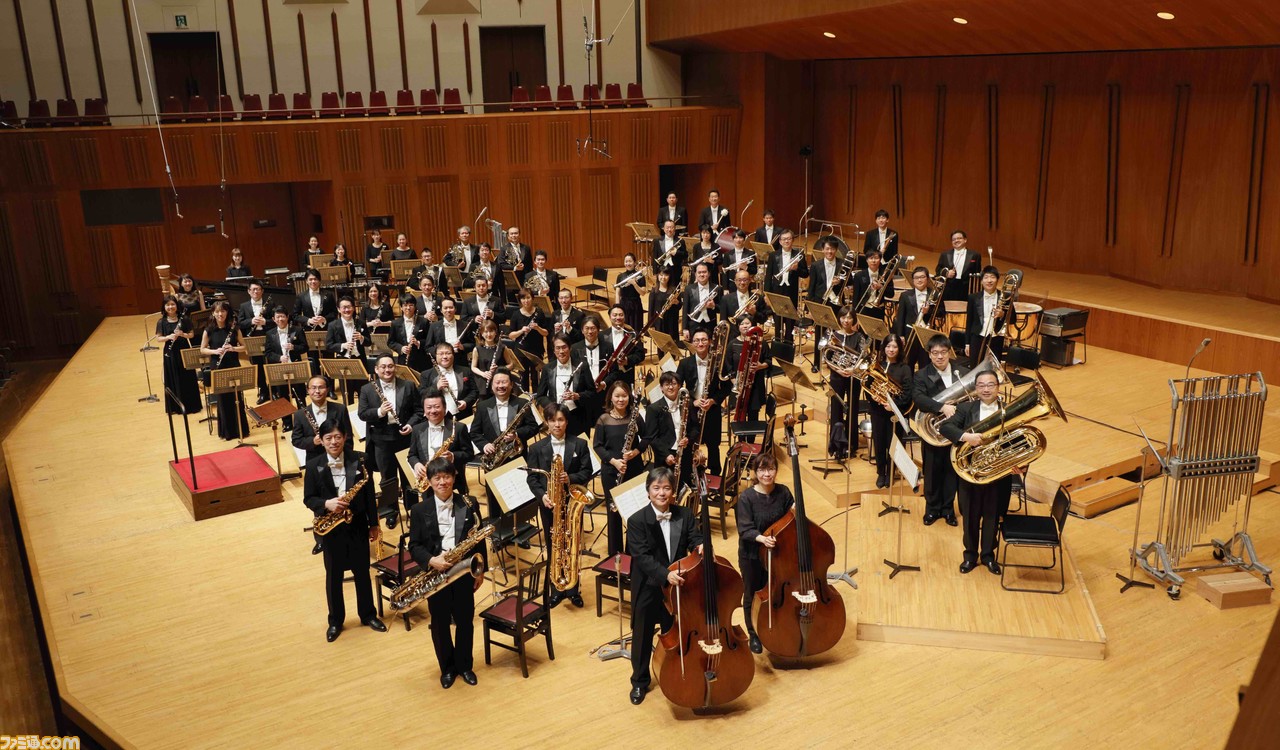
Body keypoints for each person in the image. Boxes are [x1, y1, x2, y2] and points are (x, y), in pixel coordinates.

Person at [303, 422, 386, 642]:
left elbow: (369, 495)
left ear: (345, 437)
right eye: (328, 438)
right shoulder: (313, 465)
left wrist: (374, 524)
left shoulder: (360, 460)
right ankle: (335, 621)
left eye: (337, 437)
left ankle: (368, 615)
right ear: (321, 440)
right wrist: (326, 504)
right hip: (331, 530)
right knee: (334, 577)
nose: (334, 442)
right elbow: (308, 498)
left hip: (357, 525)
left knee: (362, 572)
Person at [626, 466, 702, 705]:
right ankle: (639, 682)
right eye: (656, 488)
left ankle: (676, 672)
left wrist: (700, 546)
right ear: (648, 491)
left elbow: (694, 538)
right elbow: (642, 557)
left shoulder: (684, 514)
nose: (661, 493)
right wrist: (665, 575)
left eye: (666, 488)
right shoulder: (636, 520)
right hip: (648, 587)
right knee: (642, 637)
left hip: (677, 587)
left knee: (676, 633)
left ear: (673, 491)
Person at [408, 458, 484, 688]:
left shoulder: (469, 503)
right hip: (436, 575)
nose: (443, 482)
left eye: (447, 477)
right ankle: (447, 669)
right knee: (440, 624)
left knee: (465, 621)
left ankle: (465, 666)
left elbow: (479, 539)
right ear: (429, 481)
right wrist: (431, 560)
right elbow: (414, 546)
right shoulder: (419, 510)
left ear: (454, 477)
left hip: (463, 572)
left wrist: (480, 571)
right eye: (437, 478)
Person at [939, 370, 1018, 574]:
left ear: (998, 387)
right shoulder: (966, 408)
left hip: (998, 475)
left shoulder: (1010, 410)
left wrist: (1020, 465)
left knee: (992, 517)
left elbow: (1019, 439)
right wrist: (966, 437)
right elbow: (945, 427)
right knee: (970, 517)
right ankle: (970, 556)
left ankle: (988, 556)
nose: (986, 389)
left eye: (990, 385)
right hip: (970, 475)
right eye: (981, 385)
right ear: (976, 389)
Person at [525, 403, 593, 608]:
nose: (557, 424)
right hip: (550, 506)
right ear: (547, 422)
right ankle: (556, 589)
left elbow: (587, 471)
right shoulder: (536, 448)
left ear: (567, 422)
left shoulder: (579, 444)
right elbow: (532, 479)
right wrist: (542, 496)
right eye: (553, 420)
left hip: (572, 503)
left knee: (573, 547)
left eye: (561, 420)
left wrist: (569, 478)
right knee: (554, 546)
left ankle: (573, 589)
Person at [734, 453, 792, 653]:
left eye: (771, 469)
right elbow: (744, 529)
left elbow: (792, 517)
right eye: (762, 470)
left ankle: (775, 627)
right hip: (752, 554)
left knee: (776, 591)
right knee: (752, 592)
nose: (767, 474)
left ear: (776, 470)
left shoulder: (784, 492)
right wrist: (762, 539)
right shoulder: (746, 498)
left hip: (777, 554)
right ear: (755, 472)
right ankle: (753, 634)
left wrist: (798, 510)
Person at [357, 356, 423, 528]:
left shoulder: (408, 385)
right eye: (383, 367)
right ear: (376, 369)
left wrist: (411, 425)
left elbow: (418, 410)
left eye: (391, 366)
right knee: (388, 478)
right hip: (381, 440)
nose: (387, 370)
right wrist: (379, 411)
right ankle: (391, 512)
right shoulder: (367, 389)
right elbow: (362, 414)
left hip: (405, 438)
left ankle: (413, 510)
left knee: (409, 477)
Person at [292, 376, 352, 556]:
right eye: (313, 388)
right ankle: (321, 538)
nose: (317, 391)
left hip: (339, 458)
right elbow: (296, 440)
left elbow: (348, 436)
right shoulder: (300, 414)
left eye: (321, 387)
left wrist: (346, 457)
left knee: (341, 494)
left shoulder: (339, 409)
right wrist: (314, 441)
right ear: (308, 391)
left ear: (327, 389)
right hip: (316, 462)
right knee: (320, 499)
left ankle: (345, 531)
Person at [911, 334, 967, 527]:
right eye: (935, 353)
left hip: (955, 431)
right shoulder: (922, 375)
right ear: (929, 354)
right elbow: (919, 398)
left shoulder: (961, 372)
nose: (940, 356)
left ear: (949, 352)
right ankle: (932, 509)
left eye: (943, 352)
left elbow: (971, 398)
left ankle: (948, 510)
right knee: (932, 473)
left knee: (951, 473)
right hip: (933, 433)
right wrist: (942, 407)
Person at [472, 367, 540, 519]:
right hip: (493, 459)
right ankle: (497, 528)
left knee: (519, 498)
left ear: (511, 385)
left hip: (516, 458)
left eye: (504, 382)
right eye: (497, 382)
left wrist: (517, 434)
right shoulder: (482, 406)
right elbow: (474, 433)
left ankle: (520, 526)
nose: (501, 386)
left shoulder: (522, 403)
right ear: (492, 385)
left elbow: (534, 427)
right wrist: (484, 445)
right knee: (494, 499)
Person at [594, 380, 647, 556]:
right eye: (617, 396)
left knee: (635, 513)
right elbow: (598, 446)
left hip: (634, 469)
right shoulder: (603, 419)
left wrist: (636, 452)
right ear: (611, 397)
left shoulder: (635, 416)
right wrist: (614, 461)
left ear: (629, 397)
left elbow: (647, 438)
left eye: (624, 396)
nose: (621, 399)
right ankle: (615, 554)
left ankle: (633, 553)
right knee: (614, 513)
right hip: (611, 472)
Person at [677, 327, 729, 477]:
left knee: (713, 445)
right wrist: (692, 402)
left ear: (710, 342)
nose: (700, 343)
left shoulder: (718, 363)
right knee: (691, 444)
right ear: (692, 343)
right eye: (697, 340)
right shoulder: (685, 363)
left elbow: (727, 387)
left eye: (704, 340)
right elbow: (678, 389)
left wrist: (713, 400)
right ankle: (691, 474)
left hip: (712, 410)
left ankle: (715, 475)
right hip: (692, 411)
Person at [408, 388, 473, 503]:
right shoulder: (417, 429)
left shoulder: (458, 428)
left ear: (445, 408)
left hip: (453, 482)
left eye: (437, 407)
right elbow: (412, 455)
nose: (433, 411)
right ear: (424, 410)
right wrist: (416, 464)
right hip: (428, 483)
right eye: (429, 407)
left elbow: (469, 454)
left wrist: (453, 456)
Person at [868, 334, 914, 488]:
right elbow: (869, 385)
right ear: (884, 348)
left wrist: (893, 405)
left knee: (893, 443)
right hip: (877, 410)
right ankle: (881, 473)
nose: (891, 350)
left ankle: (891, 472)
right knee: (879, 442)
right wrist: (873, 396)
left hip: (895, 413)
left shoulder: (904, 369)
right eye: (888, 346)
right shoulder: (878, 365)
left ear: (899, 349)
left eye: (894, 347)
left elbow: (907, 394)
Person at [200, 301, 250, 441]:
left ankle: (240, 430)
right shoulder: (208, 330)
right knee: (222, 400)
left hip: (233, 365)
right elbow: (202, 349)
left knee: (236, 398)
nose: (220, 314)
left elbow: (244, 347)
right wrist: (215, 351)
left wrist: (233, 348)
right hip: (218, 367)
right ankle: (227, 432)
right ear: (213, 313)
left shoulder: (234, 329)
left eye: (222, 311)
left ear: (227, 313)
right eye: (217, 311)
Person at [826, 305, 866, 461]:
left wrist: (852, 369)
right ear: (839, 318)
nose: (846, 320)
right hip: (836, 376)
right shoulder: (833, 335)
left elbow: (863, 358)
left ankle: (851, 444)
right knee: (836, 409)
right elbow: (827, 357)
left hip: (853, 376)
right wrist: (837, 369)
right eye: (843, 317)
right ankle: (836, 445)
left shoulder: (859, 337)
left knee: (853, 408)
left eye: (849, 317)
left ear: (853, 319)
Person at [535, 334, 594, 437]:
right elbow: (540, 396)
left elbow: (592, 392)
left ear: (570, 348)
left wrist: (577, 396)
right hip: (556, 418)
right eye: (558, 348)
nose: (561, 351)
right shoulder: (547, 368)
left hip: (578, 416)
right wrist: (553, 407)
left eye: (564, 347)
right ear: (554, 350)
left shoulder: (582, 366)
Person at [642, 372, 691, 489]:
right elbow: (652, 437)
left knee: (685, 487)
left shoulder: (687, 404)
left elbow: (695, 428)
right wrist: (665, 455)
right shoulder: (653, 409)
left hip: (685, 452)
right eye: (667, 384)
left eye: (674, 383)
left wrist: (688, 439)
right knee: (666, 488)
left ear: (679, 386)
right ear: (661, 388)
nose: (670, 387)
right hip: (666, 455)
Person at [157, 295, 200, 416]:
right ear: (164, 307)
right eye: (168, 305)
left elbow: (191, 334)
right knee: (173, 375)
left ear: (176, 305)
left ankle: (191, 405)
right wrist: (168, 337)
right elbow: (159, 338)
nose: (170, 307)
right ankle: (176, 407)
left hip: (183, 349)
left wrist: (182, 334)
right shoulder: (162, 321)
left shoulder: (184, 319)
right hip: (170, 352)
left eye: (173, 304)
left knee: (187, 376)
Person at [806, 237, 845, 371]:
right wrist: (809, 308)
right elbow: (811, 287)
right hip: (820, 302)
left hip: (836, 303)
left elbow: (850, 281)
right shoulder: (816, 265)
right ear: (822, 250)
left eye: (832, 249)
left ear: (836, 250)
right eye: (827, 249)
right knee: (819, 333)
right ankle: (817, 363)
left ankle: (833, 362)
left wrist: (840, 282)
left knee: (836, 335)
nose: (830, 252)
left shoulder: (842, 264)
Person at [725, 315, 771, 426]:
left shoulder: (761, 342)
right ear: (738, 327)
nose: (745, 326)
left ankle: (751, 437)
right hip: (738, 387)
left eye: (747, 323)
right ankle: (740, 437)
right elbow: (728, 366)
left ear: (752, 325)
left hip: (755, 386)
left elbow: (769, 360)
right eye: (742, 324)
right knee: (739, 418)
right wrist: (736, 384)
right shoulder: (732, 344)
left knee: (753, 417)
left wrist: (760, 366)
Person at [765, 229, 808, 340]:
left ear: (792, 240)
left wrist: (797, 268)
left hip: (791, 291)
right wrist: (767, 294)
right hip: (777, 291)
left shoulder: (799, 254)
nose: (786, 241)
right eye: (784, 239)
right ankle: (778, 342)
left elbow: (805, 274)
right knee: (777, 320)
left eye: (789, 239)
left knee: (790, 323)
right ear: (780, 241)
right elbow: (768, 276)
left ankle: (788, 343)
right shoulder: (773, 255)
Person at [263, 306, 309, 409]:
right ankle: (287, 419)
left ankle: (303, 416)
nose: (280, 319)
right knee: (283, 398)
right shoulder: (270, 334)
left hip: (296, 367)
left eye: (283, 316)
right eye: (278, 317)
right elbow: (268, 353)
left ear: (287, 317)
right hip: (280, 370)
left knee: (300, 396)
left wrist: (294, 347)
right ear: (273, 319)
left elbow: (305, 348)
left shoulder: (297, 330)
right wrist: (279, 358)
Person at [325, 296, 369, 401]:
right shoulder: (332, 325)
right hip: (343, 363)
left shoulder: (361, 323)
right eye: (344, 307)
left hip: (360, 361)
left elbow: (369, 342)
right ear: (338, 309)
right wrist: (342, 346)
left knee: (363, 394)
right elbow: (328, 346)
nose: (347, 310)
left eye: (349, 307)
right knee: (347, 394)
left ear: (353, 308)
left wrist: (362, 338)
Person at [571, 315, 611, 427]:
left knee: (602, 426)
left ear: (598, 330)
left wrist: (604, 383)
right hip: (583, 395)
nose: (590, 332)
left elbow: (614, 371)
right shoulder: (575, 348)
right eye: (587, 328)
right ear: (582, 330)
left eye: (593, 328)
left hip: (602, 394)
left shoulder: (608, 347)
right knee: (584, 427)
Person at [894, 266, 936, 371]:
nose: (919, 280)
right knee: (908, 364)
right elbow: (900, 317)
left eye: (922, 277)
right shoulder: (905, 295)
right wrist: (900, 335)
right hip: (910, 334)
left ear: (927, 279)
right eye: (916, 278)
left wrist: (928, 311)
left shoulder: (935, 294)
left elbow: (941, 313)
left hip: (926, 335)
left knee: (925, 364)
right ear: (913, 280)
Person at [965, 265, 1008, 364]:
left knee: (993, 368)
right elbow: (969, 321)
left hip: (996, 339)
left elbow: (1013, 319)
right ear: (981, 281)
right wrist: (967, 343)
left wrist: (1002, 314)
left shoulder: (1005, 297)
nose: (989, 280)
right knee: (975, 367)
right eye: (986, 277)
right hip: (977, 337)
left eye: (992, 277)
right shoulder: (973, 298)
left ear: (997, 280)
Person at [506, 288, 550, 382]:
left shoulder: (539, 312)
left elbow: (546, 333)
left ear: (532, 298)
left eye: (528, 297)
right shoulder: (516, 314)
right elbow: (511, 335)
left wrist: (538, 328)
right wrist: (521, 331)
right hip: (521, 351)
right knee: (523, 378)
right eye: (523, 298)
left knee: (535, 378)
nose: (526, 301)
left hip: (536, 350)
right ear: (520, 300)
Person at [427, 341, 478, 419]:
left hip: (463, 416)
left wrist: (465, 402)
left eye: (448, 353)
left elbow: (474, 391)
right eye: (441, 354)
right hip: (437, 417)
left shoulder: (466, 371)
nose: (444, 356)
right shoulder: (426, 374)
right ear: (435, 356)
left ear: (453, 355)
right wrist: (436, 387)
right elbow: (422, 395)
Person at [936, 229, 982, 303]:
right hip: (949, 288)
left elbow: (977, 274)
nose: (956, 240)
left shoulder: (975, 255)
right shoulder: (945, 254)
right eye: (954, 239)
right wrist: (946, 273)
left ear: (965, 240)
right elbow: (938, 270)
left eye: (959, 238)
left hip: (967, 289)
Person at [602, 306, 642, 387]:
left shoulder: (633, 334)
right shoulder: (602, 335)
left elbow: (640, 355)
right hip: (608, 377)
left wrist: (627, 360)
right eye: (615, 315)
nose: (618, 318)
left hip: (627, 375)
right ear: (609, 317)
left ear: (625, 317)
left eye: (621, 315)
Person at [388, 295, 431, 371]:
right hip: (403, 360)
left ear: (415, 307)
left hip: (422, 361)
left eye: (411, 305)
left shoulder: (424, 322)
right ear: (401, 307)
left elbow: (430, 341)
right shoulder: (395, 323)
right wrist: (401, 348)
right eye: (405, 305)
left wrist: (418, 343)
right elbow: (390, 342)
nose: (408, 308)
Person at [850, 247, 891, 321]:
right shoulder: (859, 275)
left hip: (879, 310)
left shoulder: (886, 274)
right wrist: (854, 316)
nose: (874, 261)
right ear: (867, 260)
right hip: (864, 309)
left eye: (876, 258)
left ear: (880, 260)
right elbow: (855, 298)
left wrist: (881, 287)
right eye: (871, 258)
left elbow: (891, 294)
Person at [681, 261, 719, 341]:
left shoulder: (717, 288)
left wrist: (713, 306)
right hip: (693, 324)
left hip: (710, 324)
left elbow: (721, 308)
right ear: (695, 274)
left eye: (704, 272)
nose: (702, 274)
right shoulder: (689, 289)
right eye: (699, 272)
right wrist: (685, 329)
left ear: (709, 273)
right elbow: (685, 310)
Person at [470, 320, 503, 400]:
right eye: (486, 332)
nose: (489, 334)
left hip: (498, 381)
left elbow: (511, 365)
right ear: (481, 333)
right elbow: (473, 367)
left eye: (491, 331)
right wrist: (483, 374)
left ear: (495, 332)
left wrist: (498, 369)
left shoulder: (502, 348)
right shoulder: (477, 349)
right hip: (483, 383)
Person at [615, 253, 646, 332]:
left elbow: (643, 293)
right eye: (626, 261)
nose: (628, 263)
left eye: (630, 261)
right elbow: (617, 293)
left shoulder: (640, 275)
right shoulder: (620, 276)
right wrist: (617, 307)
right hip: (624, 304)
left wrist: (634, 284)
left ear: (634, 263)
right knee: (623, 328)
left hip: (636, 304)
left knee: (636, 328)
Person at [649, 266, 682, 339]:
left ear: (669, 276)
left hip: (671, 322)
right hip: (659, 323)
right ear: (658, 276)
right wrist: (651, 325)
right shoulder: (654, 291)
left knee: (672, 343)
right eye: (661, 275)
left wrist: (676, 302)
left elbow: (680, 306)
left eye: (666, 275)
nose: (663, 277)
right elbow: (651, 309)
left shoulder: (674, 290)